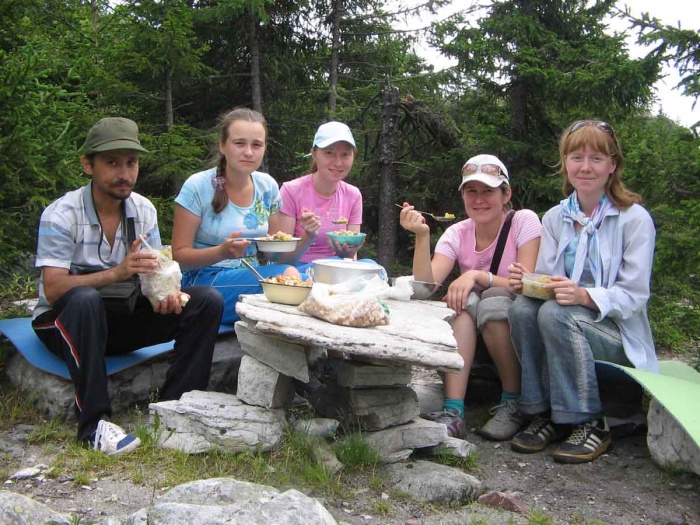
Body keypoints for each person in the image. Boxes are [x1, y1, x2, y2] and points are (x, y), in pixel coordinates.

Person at [32, 117, 224, 456]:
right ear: (88, 165)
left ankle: (175, 406)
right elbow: (53, 289)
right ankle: (94, 425)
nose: (124, 173)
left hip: (118, 320)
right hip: (64, 324)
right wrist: (117, 272)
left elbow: (156, 275)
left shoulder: (142, 210)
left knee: (206, 301)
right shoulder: (61, 214)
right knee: (85, 299)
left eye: (131, 162)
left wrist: (168, 296)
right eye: (112, 162)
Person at [508, 120, 657, 464]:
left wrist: (585, 296)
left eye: (596, 158)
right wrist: (527, 281)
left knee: (557, 313)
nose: (585, 167)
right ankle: (542, 411)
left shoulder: (634, 218)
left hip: (617, 334)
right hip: (565, 318)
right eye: (576, 157)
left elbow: (634, 296)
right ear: (565, 163)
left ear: (613, 166)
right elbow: (548, 279)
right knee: (522, 308)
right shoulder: (556, 217)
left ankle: (589, 420)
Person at [399, 154, 541, 440]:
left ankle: (513, 402)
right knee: (460, 305)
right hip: (477, 335)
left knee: (493, 300)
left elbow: (529, 283)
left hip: (519, 329)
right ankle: (454, 411)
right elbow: (425, 287)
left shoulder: (524, 222)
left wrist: (479, 276)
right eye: (471, 191)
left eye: (488, 191)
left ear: (506, 194)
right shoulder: (456, 233)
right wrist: (422, 236)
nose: (479, 199)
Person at [172, 108, 296, 324]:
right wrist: (221, 252)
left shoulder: (267, 186)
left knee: (312, 276)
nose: (248, 152)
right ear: (222, 145)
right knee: (288, 280)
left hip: (253, 272)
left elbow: (277, 255)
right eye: (239, 143)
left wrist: (309, 235)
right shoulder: (198, 186)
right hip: (204, 280)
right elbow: (178, 256)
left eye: (256, 144)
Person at [276, 121, 365, 266]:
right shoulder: (291, 191)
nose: (338, 162)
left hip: (335, 266)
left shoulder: (353, 195)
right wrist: (308, 236)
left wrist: (348, 251)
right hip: (298, 268)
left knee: (376, 269)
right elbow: (280, 260)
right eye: (329, 153)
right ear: (314, 154)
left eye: (345, 155)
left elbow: (351, 257)